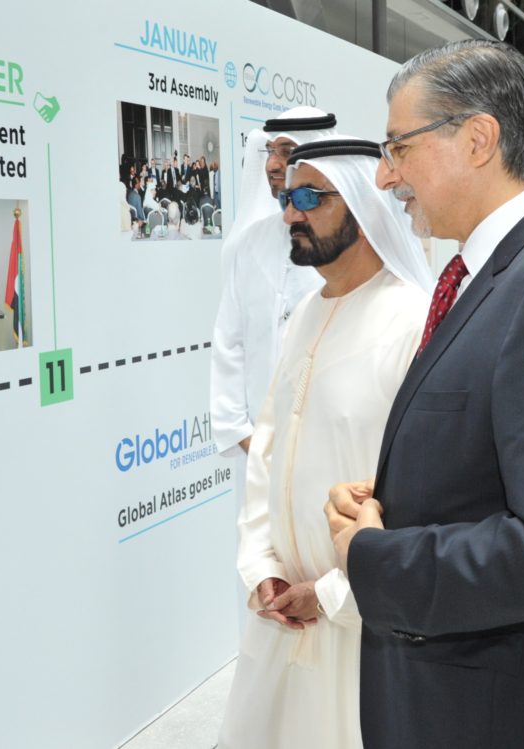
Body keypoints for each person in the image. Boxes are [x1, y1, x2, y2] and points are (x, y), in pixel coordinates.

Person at [326, 39, 524, 748]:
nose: (385, 177)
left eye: (398, 149)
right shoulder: (509, 271)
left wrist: (375, 554)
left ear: (478, 139)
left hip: (512, 708)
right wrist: (394, 500)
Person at [216, 136, 431, 749]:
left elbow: (418, 494)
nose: (290, 213)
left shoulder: (411, 321)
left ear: (364, 206)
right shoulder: (306, 314)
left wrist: (334, 594)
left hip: (361, 625)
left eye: (310, 197)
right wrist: (262, 569)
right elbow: (268, 454)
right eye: (286, 197)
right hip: (280, 613)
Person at [209, 108, 337, 633]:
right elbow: (228, 341)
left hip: (329, 450)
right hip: (259, 451)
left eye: (287, 151)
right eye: (269, 151)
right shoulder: (247, 243)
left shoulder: (337, 240)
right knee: (268, 572)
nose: (274, 163)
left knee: (326, 577)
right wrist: (246, 434)